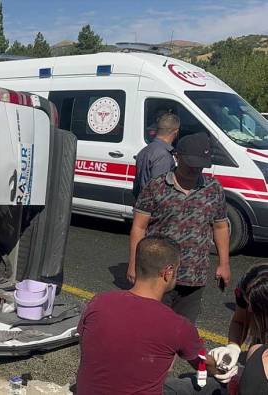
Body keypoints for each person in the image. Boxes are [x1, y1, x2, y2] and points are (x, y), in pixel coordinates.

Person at [77, 237, 220, 394]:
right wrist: (220, 370)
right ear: (168, 272)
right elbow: (203, 362)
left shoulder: (98, 302)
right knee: (211, 386)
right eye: (177, 271)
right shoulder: (177, 325)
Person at [128, 133, 231, 324]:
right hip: (157, 274)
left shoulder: (213, 189)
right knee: (152, 326)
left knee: (182, 330)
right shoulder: (156, 186)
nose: (195, 169)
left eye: (200, 165)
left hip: (194, 275)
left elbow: (220, 227)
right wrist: (134, 263)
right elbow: (139, 227)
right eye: (190, 163)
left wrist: (224, 264)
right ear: (177, 156)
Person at [208, 264, 268, 384]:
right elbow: (239, 321)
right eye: (248, 302)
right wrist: (233, 347)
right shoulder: (245, 287)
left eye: (254, 306)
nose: (249, 310)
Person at [133, 113, 180, 198]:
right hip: (154, 207)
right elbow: (159, 191)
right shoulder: (163, 156)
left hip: (143, 202)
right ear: (176, 132)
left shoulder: (144, 151)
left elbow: (137, 186)